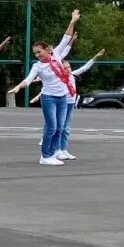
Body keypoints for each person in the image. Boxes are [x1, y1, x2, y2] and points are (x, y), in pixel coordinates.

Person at [8, 10, 80, 165]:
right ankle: (45, 156)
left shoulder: (57, 55)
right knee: (51, 128)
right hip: (48, 98)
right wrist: (18, 87)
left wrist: (72, 21)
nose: (37, 55)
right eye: (35, 53)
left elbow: (66, 37)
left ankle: (53, 153)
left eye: (39, 52)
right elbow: (28, 79)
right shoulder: (37, 66)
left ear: (47, 49)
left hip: (62, 97)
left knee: (60, 128)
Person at [30, 42, 105, 160]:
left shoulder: (73, 75)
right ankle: (55, 149)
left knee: (65, 128)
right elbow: (48, 89)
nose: (68, 70)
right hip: (61, 101)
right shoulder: (58, 76)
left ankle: (63, 149)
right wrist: (37, 96)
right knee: (57, 127)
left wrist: (95, 57)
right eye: (65, 68)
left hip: (70, 103)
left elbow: (85, 67)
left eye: (69, 67)